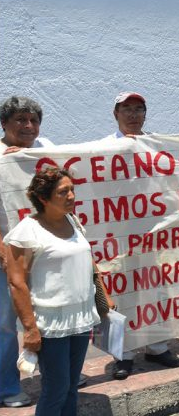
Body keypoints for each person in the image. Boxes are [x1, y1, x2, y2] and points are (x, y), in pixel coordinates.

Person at [4, 167, 110, 415]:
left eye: (72, 189)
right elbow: (17, 282)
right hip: (51, 323)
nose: (72, 196)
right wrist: (30, 329)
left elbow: (88, 262)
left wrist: (103, 296)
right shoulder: (26, 232)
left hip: (80, 318)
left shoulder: (72, 220)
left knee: (72, 386)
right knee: (56, 388)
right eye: (64, 192)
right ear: (43, 198)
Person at [102, 92, 179, 379]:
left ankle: (157, 347)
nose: (133, 114)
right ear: (116, 114)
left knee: (157, 291)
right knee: (123, 292)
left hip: (154, 235)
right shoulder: (102, 148)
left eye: (139, 109)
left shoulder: (157, 146)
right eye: (127, 109)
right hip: (120, 236)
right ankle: (123, 355)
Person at [0, 96, 54, 408]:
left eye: (33, 120)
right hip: (8, 254)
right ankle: (7, 387)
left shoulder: (46, 148)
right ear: (4, 123)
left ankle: (56, 375)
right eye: (21, 119)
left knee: (47, 317)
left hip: (43, 253)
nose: (28, 126)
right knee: (6, 324)